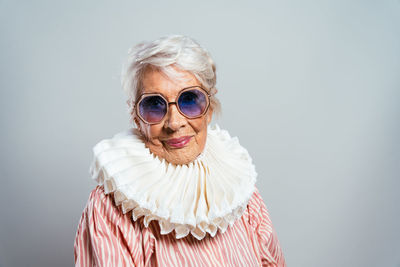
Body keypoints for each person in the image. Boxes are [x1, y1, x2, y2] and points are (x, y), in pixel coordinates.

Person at [74, 35, 286, 266]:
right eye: (154, 104)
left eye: (189, 100)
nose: (174, 123)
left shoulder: (238, 188)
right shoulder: (110, 207)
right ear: (136, 117)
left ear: (210, 109)